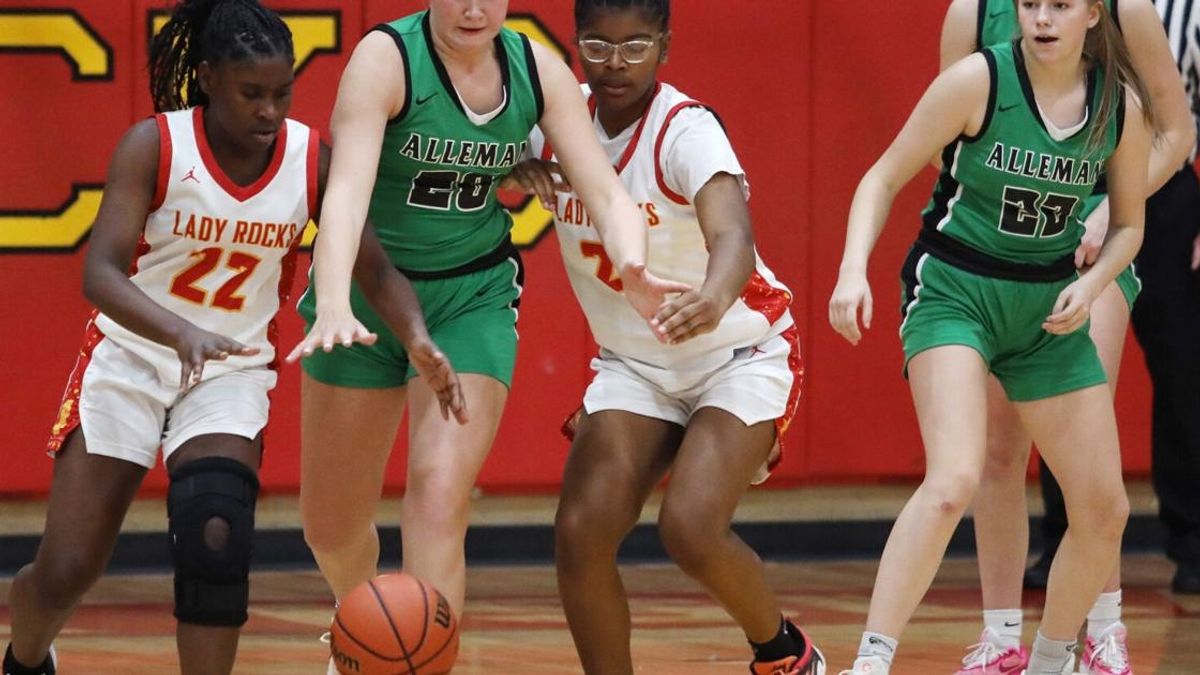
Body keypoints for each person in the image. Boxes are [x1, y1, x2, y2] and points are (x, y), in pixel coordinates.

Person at [2, 2, 461, 674]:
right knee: (68, 566)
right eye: (252, 93)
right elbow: (100, 273)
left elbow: (376, 268)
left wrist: (417, 336)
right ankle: (24, 655)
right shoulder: (155, 145)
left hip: (229, 371)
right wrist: (178, 330)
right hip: (129, 355)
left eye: (283, 93)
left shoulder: (312, 160)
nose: (270, 111)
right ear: (211, 77)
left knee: (216, 532)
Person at [285, 1, 686, 669]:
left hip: (471, 296)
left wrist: (633, 262)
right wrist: (329, 298)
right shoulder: (386, 60)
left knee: (439, 489)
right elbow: (346, 194)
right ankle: (369, 636)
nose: (474, 8)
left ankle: (416, 661)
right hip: (367, 293)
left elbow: (608, 193)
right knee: (329, 525)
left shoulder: (536, 70)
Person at [828, 1, 1153, 673]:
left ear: (1094, 14)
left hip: (1046, 307)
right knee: (954, 477)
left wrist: (1091, 289)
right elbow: (882, 176)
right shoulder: (979, 80)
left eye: (1060, 5)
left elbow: (1128, 224)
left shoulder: (1117, 105)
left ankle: (1051, 658)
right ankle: (871, 660)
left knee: (1105, 508)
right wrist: (851, 271)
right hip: (956, 290)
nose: (1041, 18)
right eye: (1030, 4)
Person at [502, 1, 820, 673]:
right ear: (575, 44)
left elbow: (733, 234)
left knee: (690, 527)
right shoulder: (558, 120)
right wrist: (514, 171)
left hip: (738, 352)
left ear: (665, 46)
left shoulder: (686, 129)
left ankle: (784, 651)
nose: (616, 64)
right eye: (598, 46)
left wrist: (712, 295)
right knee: (580, 532)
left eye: (635, 46)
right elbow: (486, 164)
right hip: (635, 363)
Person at [937, 0, 1194, 672]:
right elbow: (953, 146)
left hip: (1092, 245)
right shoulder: (971, 12)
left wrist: (1113, 211)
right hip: (1001, 254)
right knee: (998, 448)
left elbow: (1177, 131)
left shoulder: (1125, 9)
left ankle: (1103, 631)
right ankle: (1000, 636)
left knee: (1084, 447)